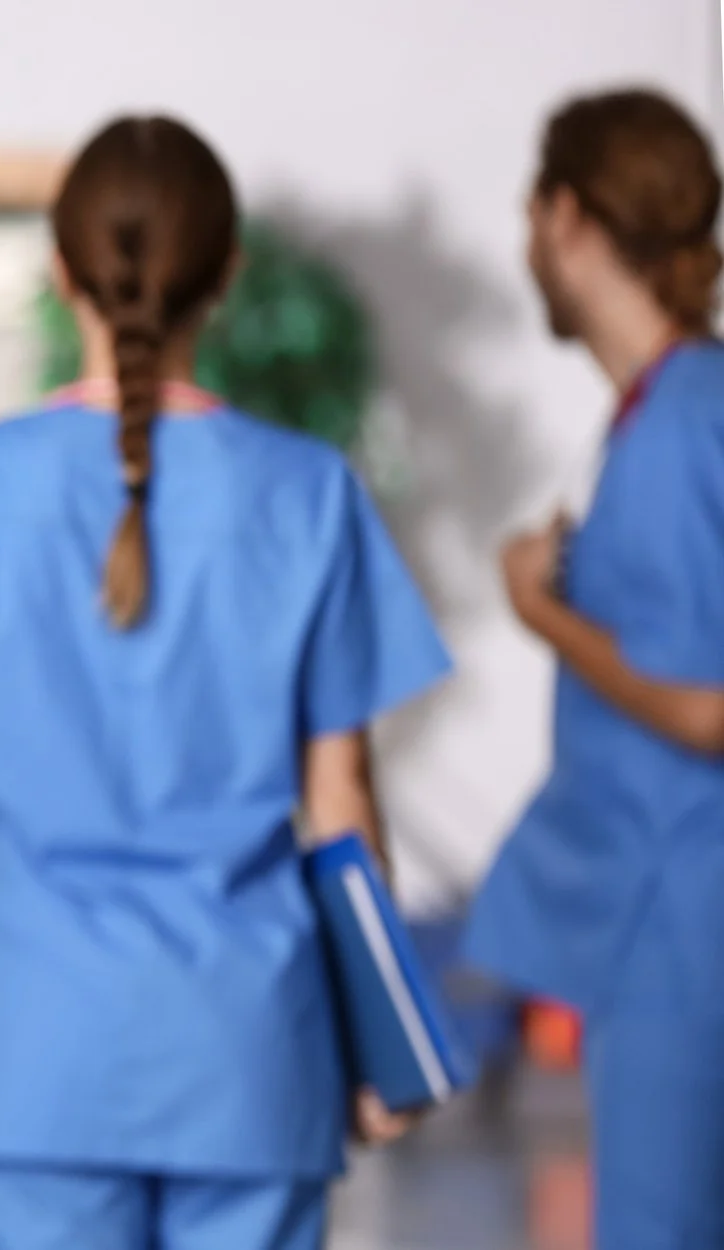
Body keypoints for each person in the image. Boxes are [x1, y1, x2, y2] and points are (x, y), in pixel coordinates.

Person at [0, 116, 447, 1250]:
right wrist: (372, 1028)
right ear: (227, 278)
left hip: (40, 1051)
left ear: (59, 269)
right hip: (253, 1053)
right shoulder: (306, 490)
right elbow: (343, 797)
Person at [463, 87, 724, 1250]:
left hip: (682, 923)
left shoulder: (680, 425)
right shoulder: (663, 414)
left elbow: (708, 705)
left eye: (531, 216)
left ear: (567, 217)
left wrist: (539, 613)